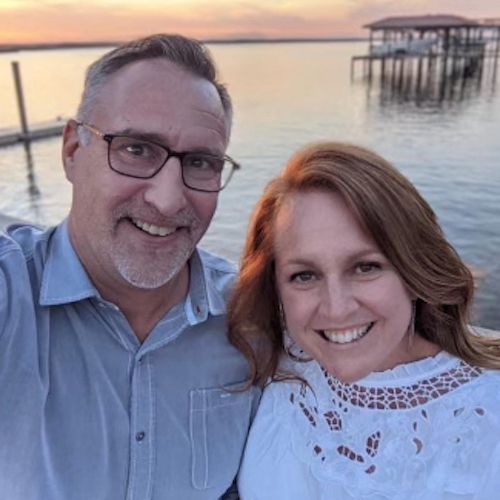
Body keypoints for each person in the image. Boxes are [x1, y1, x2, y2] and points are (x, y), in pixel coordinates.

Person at [0, 34, 258, 500]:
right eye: (137, 149)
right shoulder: (12, 297)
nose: (168, 199)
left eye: (201, 162)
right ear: (72, 151)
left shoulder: (251, 322)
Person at [229, 142, 500, 499]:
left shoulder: (488, 411)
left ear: (414, 271)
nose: (336, 309)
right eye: (304, 275)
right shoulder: (277, 366)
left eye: (365, 267)